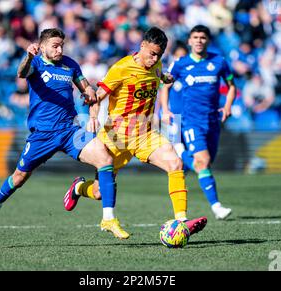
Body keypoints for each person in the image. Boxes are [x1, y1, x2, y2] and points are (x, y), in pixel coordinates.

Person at [63, 27, 208, 239]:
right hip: (116, 136)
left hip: (145, 134)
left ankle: (182, 221)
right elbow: (97, 96)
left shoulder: (156, 65)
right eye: (152, 53)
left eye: (159, 55)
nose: (155, 58)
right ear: (142, 46)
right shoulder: (121, 68)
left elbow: (159, 73)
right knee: (99, 192)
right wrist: (93, 118)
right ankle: (78, 188)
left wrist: (166, 77)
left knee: (175, 164)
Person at [0, 28, 123, 238]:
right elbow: (21, 73)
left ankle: (109, 219)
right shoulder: (35, 63)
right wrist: (28, 56)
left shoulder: (70, 64)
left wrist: (90, 98)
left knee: (106, 158)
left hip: (69, 130)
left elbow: (86, 89)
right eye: (55, 46)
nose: (59, 50)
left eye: (61, 46)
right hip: (43, 134)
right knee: (19, 178)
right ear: (43, 46)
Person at [160, 25, 236, 220]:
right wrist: (166, 110)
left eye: (203, 37)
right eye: (195, 37)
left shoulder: (219, 62)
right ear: (189, 41)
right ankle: (217, 206)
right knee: (203, 162)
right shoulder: (180, 64)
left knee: (206, 162)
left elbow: (231, 86)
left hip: (213, 121)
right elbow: (165, 88)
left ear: (207, 40)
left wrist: (227, 105)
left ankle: (181, 153)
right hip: (191, 122)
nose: (199, 40)